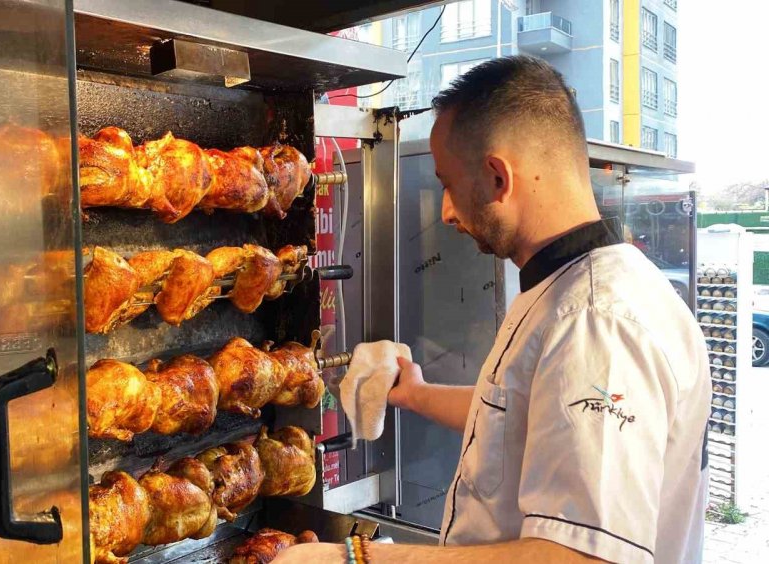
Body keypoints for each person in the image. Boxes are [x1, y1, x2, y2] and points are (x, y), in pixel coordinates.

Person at [275, 56, 710, 563]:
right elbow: (527, 417)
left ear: (497, 176)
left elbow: (583, 558)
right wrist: (416, 395)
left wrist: (356, 559)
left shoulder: (596, 322)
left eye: (448, 183)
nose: (445, 210)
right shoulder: (574, 290)